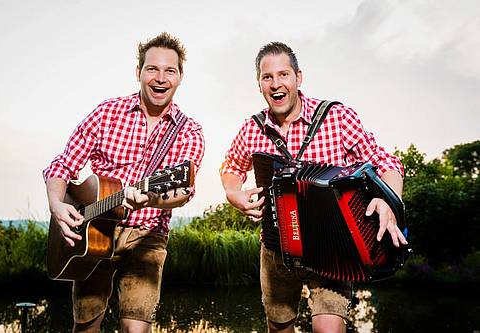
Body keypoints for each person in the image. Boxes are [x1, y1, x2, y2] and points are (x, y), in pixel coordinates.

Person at [220, 41, 407, 333]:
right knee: (279, 326)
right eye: (267, 77)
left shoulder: (337, 117)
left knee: (328, 328)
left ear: (299, 78)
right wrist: (233, 193)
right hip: (276, 250)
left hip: (332, 251)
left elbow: (387, 163)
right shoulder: (251, 129)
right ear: (259, 84)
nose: (276, 84)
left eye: (284, 74)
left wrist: (389, 200)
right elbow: (231, 167)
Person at [43, 32, 205, 333]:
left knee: (136, 328)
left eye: (170, 70)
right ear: (138, 73)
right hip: (94, 230)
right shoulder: (107, 113)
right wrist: (56, 205)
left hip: (148, 236)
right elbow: (62, 165)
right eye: (152, 69)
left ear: (180, 77)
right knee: (86, 324)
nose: (160, 78)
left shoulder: (189, 131)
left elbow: (183, 191)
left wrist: (153, 198)